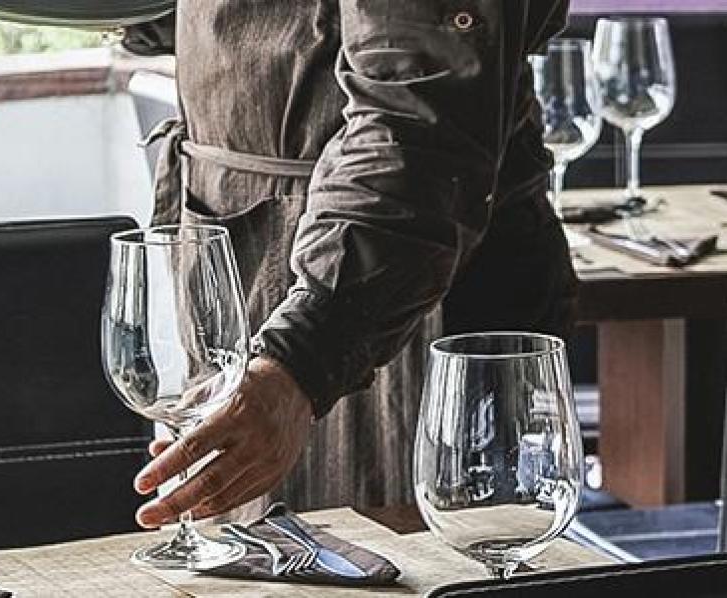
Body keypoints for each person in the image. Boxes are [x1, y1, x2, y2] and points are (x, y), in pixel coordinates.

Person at [122, 0, 578, 529]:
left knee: (414, 556)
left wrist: (299, 359)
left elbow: (416, 115)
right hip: (257, 266)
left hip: (391, 291)